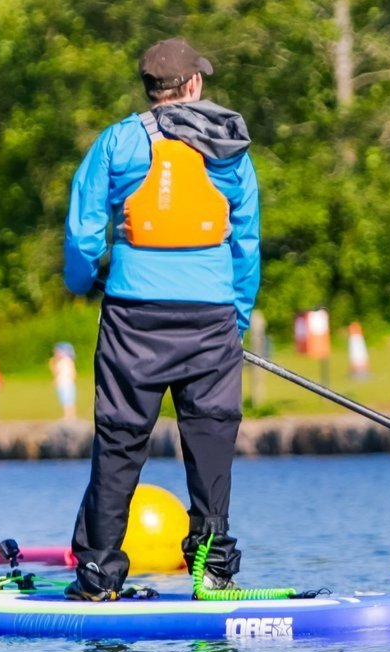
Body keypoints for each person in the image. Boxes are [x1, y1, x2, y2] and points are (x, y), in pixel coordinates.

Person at [61, 37, 260, 599]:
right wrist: (235, 320)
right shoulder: (231, 150)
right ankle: (214, 573)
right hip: (212, 318)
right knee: (211, 444)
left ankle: (99, 574)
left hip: (133, 319)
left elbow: (81, 235)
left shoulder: (117, 142)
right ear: (193, 85)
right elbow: (246, 243)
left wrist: (83, 282)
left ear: (151, 90)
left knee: (121, 442)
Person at [50, 341, 80, 420]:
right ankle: (68, 415)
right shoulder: (60, 361)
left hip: (66, 383)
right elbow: (55, 372)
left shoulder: (66, 361)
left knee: (68, 400)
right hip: (62, 383)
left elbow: (71, 373)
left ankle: (70, 416)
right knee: (64, 400)